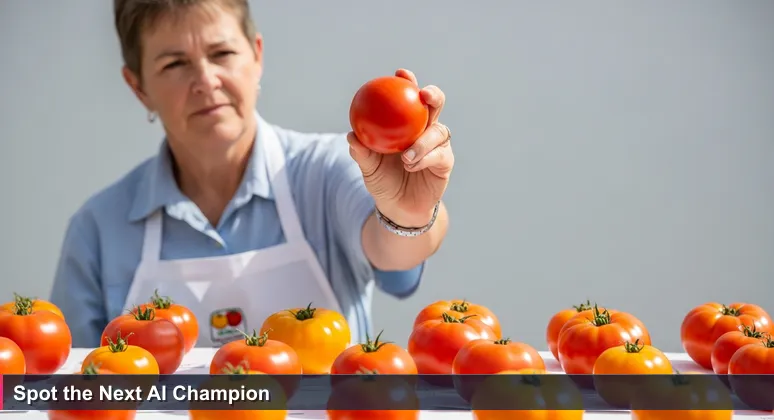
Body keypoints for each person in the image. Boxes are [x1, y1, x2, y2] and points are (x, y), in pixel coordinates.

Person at [50, 0, 454, 349]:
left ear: (256, 55)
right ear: (137, 87)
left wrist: (409, 213)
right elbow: (74, 383)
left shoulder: (328, 170)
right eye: (175, 63)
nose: (206, 81)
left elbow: (395, 251)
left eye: (222, 53)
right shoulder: (98, 230)